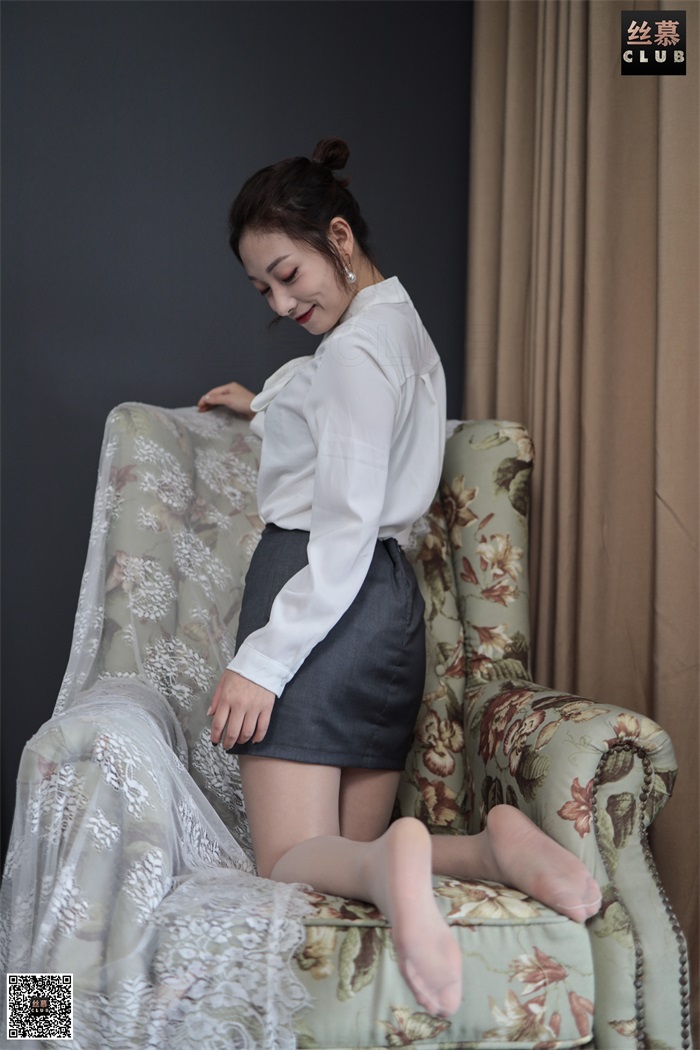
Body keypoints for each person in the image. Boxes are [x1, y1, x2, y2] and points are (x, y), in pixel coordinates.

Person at [198, 138, 601, 1019]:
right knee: (331, 870)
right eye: (263, 290)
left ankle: (395, 860)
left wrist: (262, 660)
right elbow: (360, 429)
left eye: (288, 273)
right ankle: (487, 850)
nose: (281, 303)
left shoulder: (349, 354)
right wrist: (262, 403)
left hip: (316, 589)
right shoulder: (398, 325)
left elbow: (341, 526)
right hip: (386, 612)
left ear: (339, 237)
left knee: (288, 865)